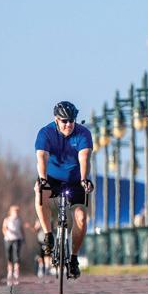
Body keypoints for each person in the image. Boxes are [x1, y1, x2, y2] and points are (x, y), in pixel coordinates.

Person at [34, 101, 94, 279]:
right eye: (64, 121)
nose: (68, 124)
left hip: (75, 179)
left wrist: (84, 179)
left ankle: (73, 258)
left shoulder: (83, 134)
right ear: (56, 120)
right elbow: (42, 157)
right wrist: (43, 179)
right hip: (52, 178)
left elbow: (84, 158)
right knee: (40, 192)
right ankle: (48, 235)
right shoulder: (45, 133)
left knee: (81, 218)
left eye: (71, 121)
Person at [2, 205, 24, 285]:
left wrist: (23, 237)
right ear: (11, 212)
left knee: (17, 256)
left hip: (17, 239)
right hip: (8, 239)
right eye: (15, 211)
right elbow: (4, 228)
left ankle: (16, 272)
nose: (16, 213)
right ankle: (10, 271)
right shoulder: (7, 219)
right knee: (9, 256)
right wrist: (6, 235)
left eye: (17, 211)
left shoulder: (19, 220)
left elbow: (21, 229)